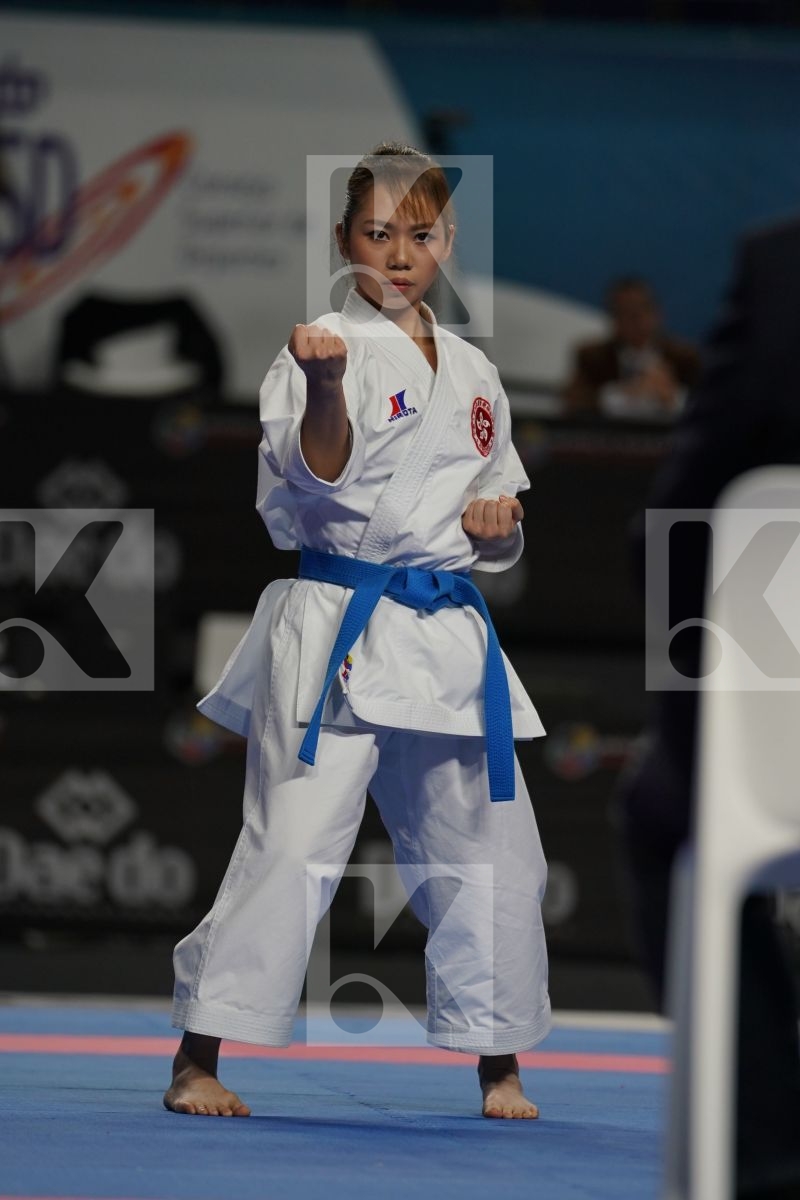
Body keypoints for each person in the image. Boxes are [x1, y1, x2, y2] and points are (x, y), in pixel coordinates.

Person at [163, 143, 551, 1121]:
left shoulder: (471, 370)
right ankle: (197, 1054)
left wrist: (494, 528)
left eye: (417, 235)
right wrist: (327, 389)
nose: (397, 253)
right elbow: (311, 477)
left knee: (491, 849)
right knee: (291, 844)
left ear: (446, 242)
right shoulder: (314, 346)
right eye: (376, 234)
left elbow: (496, 508)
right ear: (345, 243)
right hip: (337, 617)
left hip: (447, 632)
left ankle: (497, 1061)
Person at [620, 216, 800, 1199]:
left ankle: (767, 1162)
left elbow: (692, 502)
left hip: (783, 730)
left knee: (672, 822)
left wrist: (694, 735)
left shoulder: (784, 265)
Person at [563, 276, 700, 419]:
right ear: (614, 319)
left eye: (644, 310)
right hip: (610, 437)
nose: (638, 321)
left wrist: (673, 396)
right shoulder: (592, 357)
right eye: (627, 313)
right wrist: (628, 393)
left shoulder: (684, 357)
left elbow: (707, 406)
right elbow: (575, 404)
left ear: (657, 314)